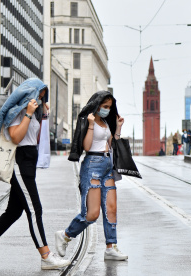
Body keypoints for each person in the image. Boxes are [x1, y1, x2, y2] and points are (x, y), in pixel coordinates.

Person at [0, 78, 70, 270]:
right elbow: (16, 137)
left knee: (13, 212)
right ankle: (46, 256)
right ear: (29, 94)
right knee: (35, 209)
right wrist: (28, 114)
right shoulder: (16, 112)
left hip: (29, 162)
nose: (40, 100)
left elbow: (35, 138)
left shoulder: (33, 113)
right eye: (38, 96)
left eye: (42, 97)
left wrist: (41, 116)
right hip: (20, 162)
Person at [55, 91, 128, 262]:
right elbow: (87, 146)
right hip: (93, 165)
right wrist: (90, 124)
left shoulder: (105, 123)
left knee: (111, 209)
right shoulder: (90, 120)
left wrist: (117, 128)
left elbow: (111, 144)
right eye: (104, 107)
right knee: (92, 213)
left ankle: (111, 247)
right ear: (97, 105)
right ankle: (65, 235)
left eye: (109, 107)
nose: (107, 110)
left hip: (107, 166)